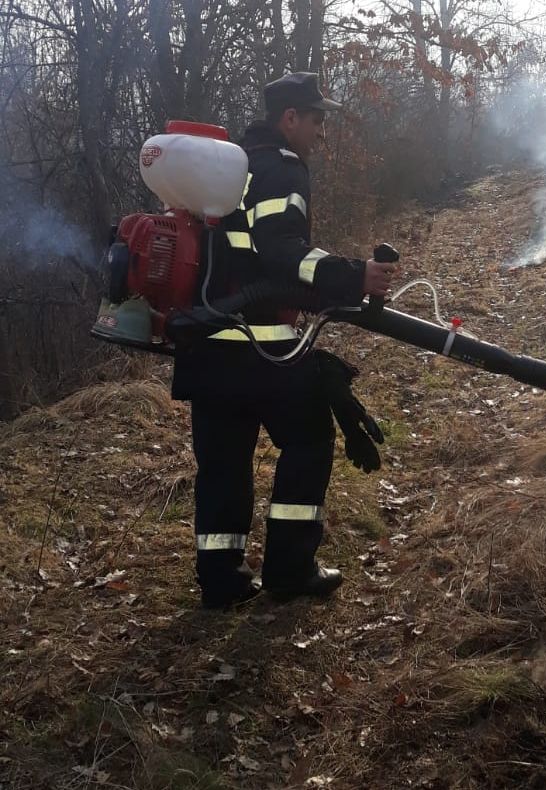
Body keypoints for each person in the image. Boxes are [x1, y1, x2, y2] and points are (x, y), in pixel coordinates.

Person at [171, 72, 397, 609]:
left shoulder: (227, 168)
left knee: (223, 462)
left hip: (206, 347)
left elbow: (248, 255)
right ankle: (290, 569)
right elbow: (281, 249)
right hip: (262, 345)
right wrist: (353, 275)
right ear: (289, 118)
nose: (320, 132)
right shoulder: (282, 166)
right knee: (310, 438)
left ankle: (221, 580)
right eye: (316, 119)